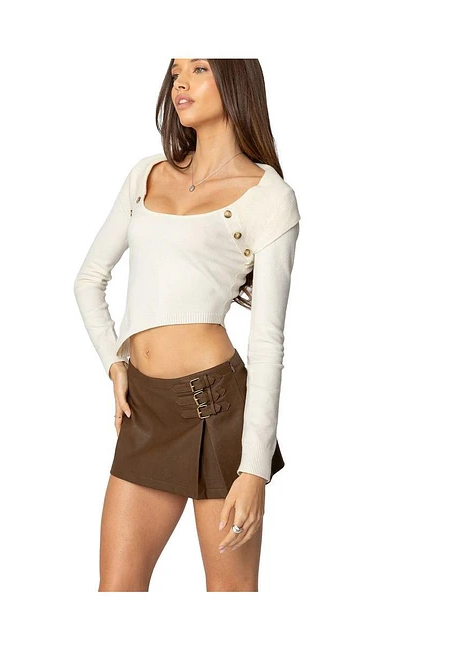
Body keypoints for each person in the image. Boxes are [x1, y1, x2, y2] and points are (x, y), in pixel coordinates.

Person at [73, 58, 302, 591]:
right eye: (176, 70)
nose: (181, 81)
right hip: (145, 409)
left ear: (236, 78)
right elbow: (88, 280)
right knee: (116, 592)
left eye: (200, 68)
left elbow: (267, 342)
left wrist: (254, 469)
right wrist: (115, 363)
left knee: (230, 598)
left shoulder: (270, 197)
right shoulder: (147, 174)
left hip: (216, 410)